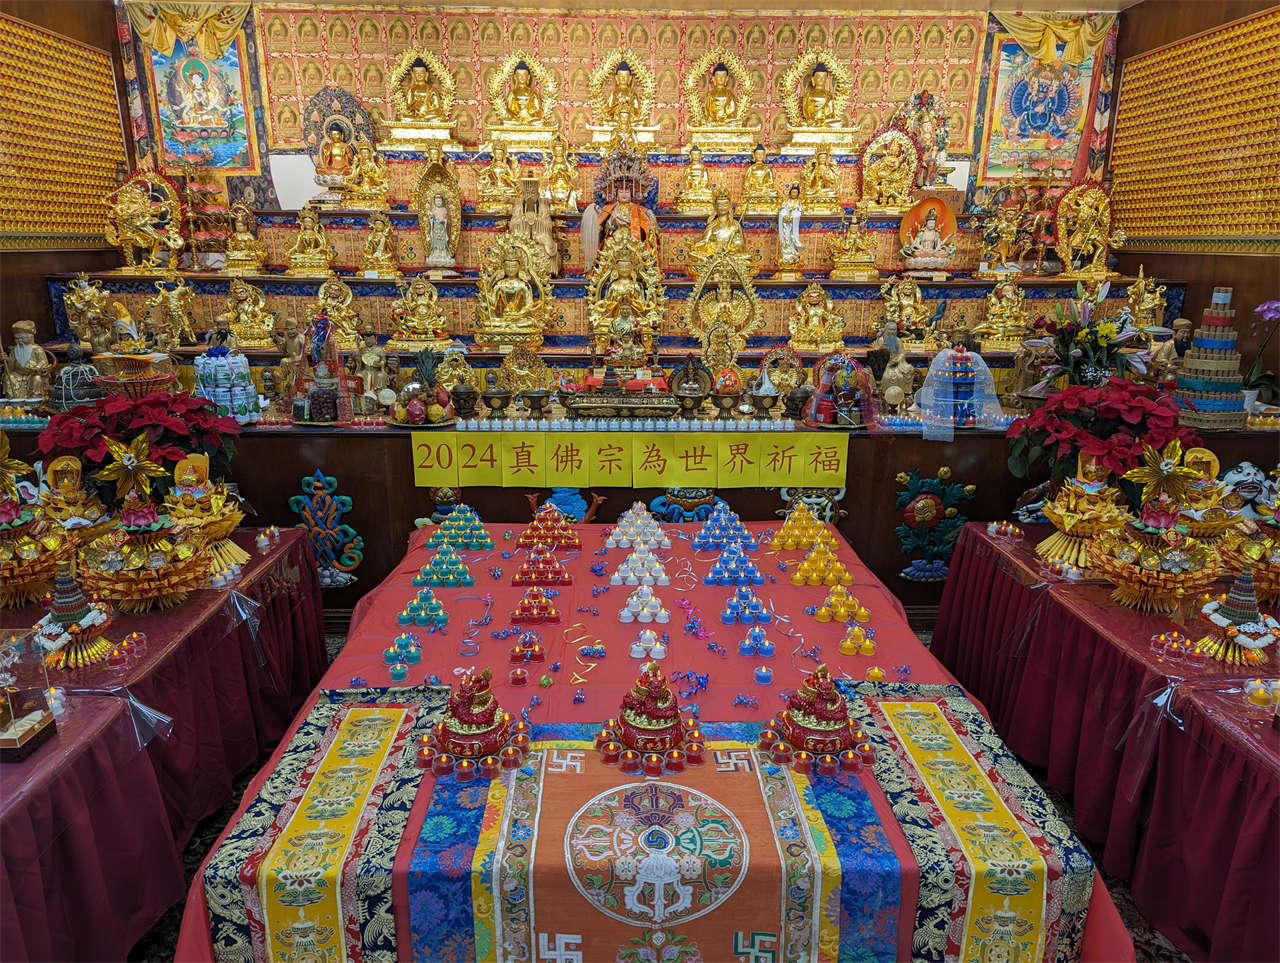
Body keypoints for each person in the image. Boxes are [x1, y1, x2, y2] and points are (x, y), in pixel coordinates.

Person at [2, 319, 53, 399]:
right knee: (9, 378)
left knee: (37, 379)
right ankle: (14, 400)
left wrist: (39, 368)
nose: (19, 341)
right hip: (18, 375)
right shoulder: (14, 350)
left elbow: (43, 364)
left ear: (31, 337)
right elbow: (10, 369)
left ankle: (35, 400)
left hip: (32, 375)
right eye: (17, 338)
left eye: (22, 338)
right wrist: (7, 360)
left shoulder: (37, 350)